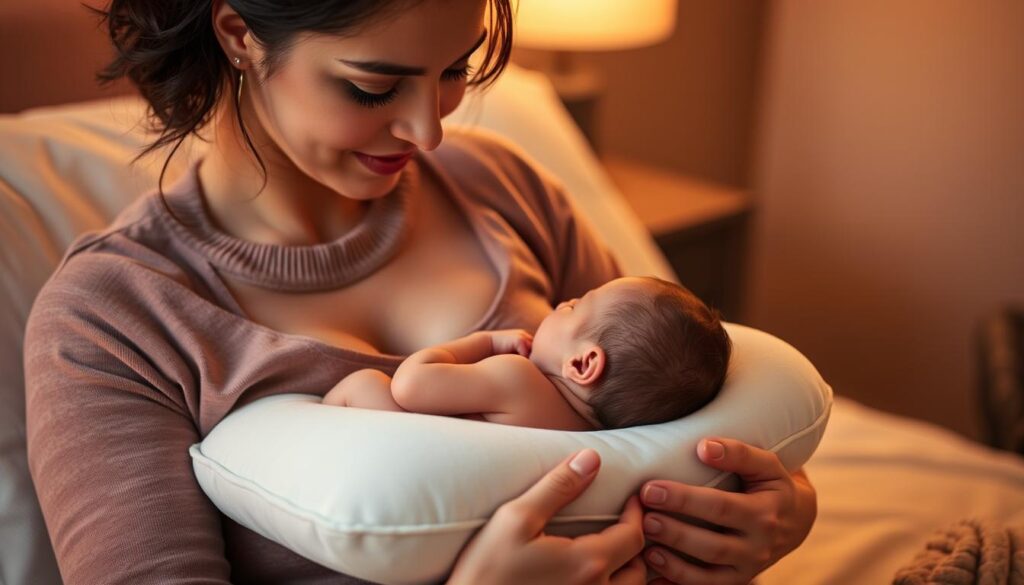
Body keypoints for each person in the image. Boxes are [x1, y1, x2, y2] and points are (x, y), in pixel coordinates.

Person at [22, 0, 818, 583]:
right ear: (237, 33)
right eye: (374, 88)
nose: (430, 131)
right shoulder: (114, 316)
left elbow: (682, 409)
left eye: (455, 71)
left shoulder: (502, 186)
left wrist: (775, 511)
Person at [324, 276, 732, 431]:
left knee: (366, 384)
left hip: (410, 465)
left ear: (583, 363)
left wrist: (485, 342)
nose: (561, 304)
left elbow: (410, 386)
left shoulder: (517, 378)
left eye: (575, 306)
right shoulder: (591, 432)